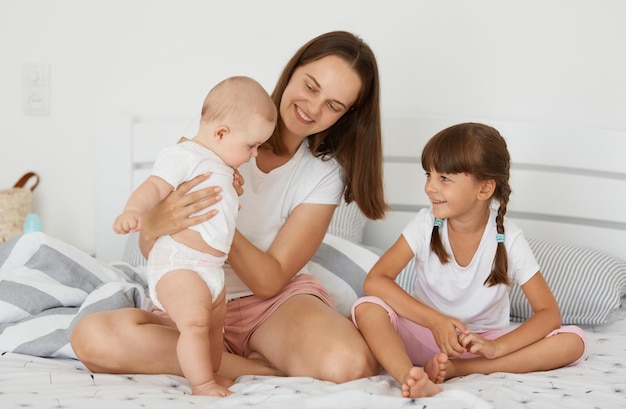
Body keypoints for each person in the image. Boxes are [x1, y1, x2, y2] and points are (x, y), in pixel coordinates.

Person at [71, 30, 388, 386]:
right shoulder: (218, 130)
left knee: (349, 364)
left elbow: (269, 281)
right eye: (311, 86)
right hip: (193, 297)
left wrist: (218, 213)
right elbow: (151, 247)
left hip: (272, 307)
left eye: (333, 105)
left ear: (346, 115)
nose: (313, 108)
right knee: (91, 338)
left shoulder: (323, 174)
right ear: (293, 70)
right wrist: (159, 219)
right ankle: (253, 368)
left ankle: (216, 360)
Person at [351, 122, 586, 398]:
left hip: (481, 345)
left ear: (484, 189)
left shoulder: (509, 239)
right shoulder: (426, 224)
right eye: (429, 174)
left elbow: (549, 313)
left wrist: (496, 348)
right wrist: (435, 321)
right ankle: (409, 376)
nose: (429, 187)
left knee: (574, 342)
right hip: (425, 334)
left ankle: (462, 369)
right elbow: (375, 281)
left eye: (444, 178)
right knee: (367, 308)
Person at [112, 76, 276, 396]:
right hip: (180, 263)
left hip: (211, 269)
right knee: (195, 325)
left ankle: (211, 373)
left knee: (214, 333)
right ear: (220, 133)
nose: (255, 154)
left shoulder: (222, 167)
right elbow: (155, 187)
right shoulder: (184, 154)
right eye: (251, 145)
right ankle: (201, 384)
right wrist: (133, 210)